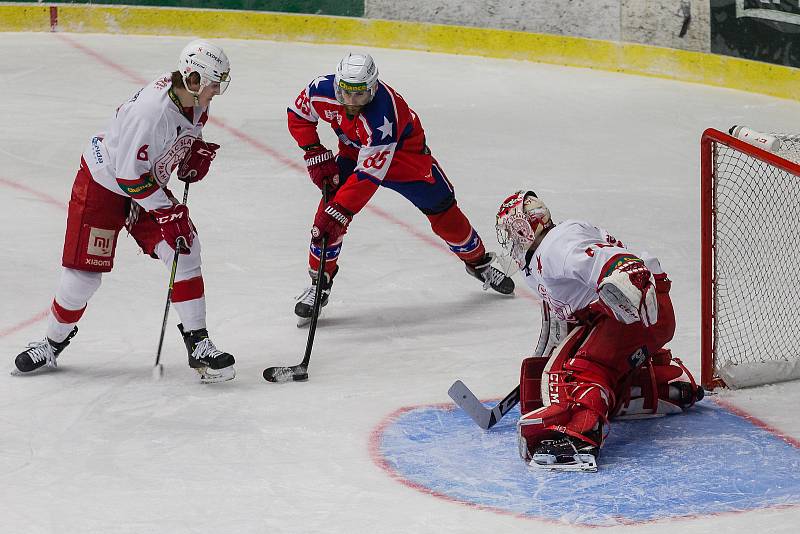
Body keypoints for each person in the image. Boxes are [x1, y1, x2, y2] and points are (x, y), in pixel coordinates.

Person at [12, 40, 236, 383]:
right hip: (104, 184)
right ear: (192, 78)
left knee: (185, 249)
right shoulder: (150, 113)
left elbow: (178, 138)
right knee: (82, 279)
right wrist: (166, 212)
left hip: (144, 183)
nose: (216, 92)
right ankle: (51, 343)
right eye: (212, 84)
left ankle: (199, 343)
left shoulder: (191, 98)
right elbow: (129, 177)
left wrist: (191, 154)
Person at [287, 52, 515, 325]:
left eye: (360, 95)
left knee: (446, 215)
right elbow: (298, 114)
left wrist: (341, 211)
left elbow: (369, 175)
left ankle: (479, 263)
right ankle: (319, 284)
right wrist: (314, 151)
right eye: (345, 93)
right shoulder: (320, 90)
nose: (350, 102)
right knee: (324, 223)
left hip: (406, 162)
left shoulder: (385, 113)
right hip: (354, 153)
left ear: (373, 88)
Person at [494, 190, 703, 471]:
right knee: (569, 367)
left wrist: (628, 275)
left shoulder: (557, 243)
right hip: (612, 316)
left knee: (581, 370)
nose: (511, 239)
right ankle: (660, 388)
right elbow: (559, 316)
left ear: (531, 224)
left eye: (513, 229)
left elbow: (605, 258)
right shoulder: (537, 263)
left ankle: (579, 439)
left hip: (634, 306)